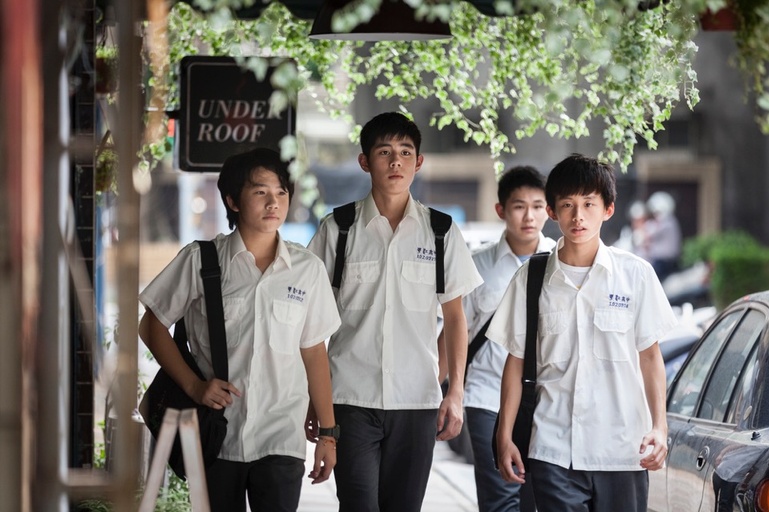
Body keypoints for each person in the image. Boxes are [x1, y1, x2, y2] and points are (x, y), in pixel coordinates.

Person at [138, 148, 341, 512]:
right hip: (216, 435)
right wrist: (194, 386)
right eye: (260, 192)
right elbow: (151, 325)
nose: (273, 202)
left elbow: (314, 351)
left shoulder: (307, 269)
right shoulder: (201, 260)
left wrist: (328, 434)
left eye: (280, 192)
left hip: (281, 436)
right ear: (232, 200)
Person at [307, 111, 483, 512]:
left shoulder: (441, 232)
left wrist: (455, 392)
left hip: (416, 401)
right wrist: (313, 399)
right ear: (364, 161)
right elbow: (312, 325)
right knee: (358, 505)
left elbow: (456, 319)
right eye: (384, 152)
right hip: (349, 399)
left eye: (405, 152)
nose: (395, 162)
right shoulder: (338, 229)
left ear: (418, 162)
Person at [488, 153, 677, 512]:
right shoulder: (530, 279)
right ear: (552, 212)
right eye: (567, 205)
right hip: (553, 449)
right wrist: (505, 435)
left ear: (608, 210)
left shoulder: (636, 275)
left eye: (589, 204)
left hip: (623, 450)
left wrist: (660, 428)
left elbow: (651, 358)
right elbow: (515, 362)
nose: (578, 216)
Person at [437, 165, 555, 512]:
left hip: (545, 400)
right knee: (500, 496)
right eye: (519, 206)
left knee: (539, 497)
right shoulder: (476, 266)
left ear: (548, 210)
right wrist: (439, 393)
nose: (529, 216)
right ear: (501, 210)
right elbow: (454, 331)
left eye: (537, 206)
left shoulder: (560, 262)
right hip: (486, 396)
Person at [644, 190, 682, 283]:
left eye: (656, 212)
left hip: (664, 262)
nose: (655, 216)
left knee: (649, 281)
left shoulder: (667, 222)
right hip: (663, 261)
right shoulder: (670, 222)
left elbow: (649, 234)